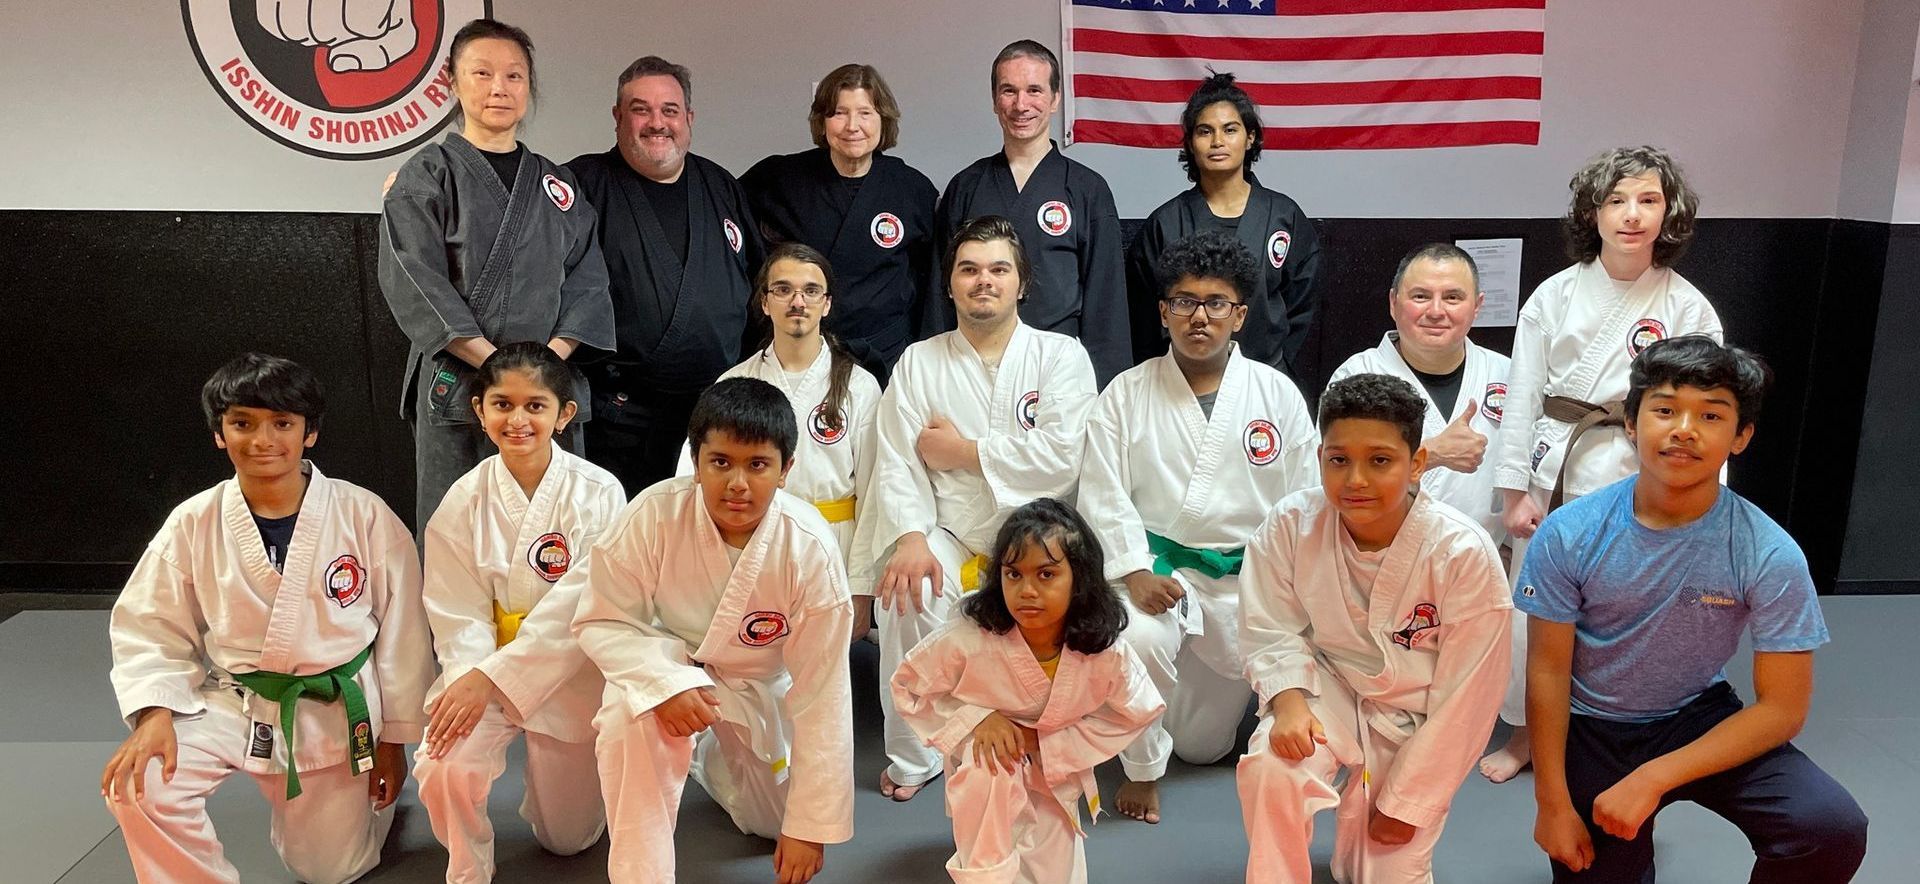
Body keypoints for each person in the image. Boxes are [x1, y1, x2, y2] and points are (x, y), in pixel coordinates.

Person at [1518, 336, 1867, 882]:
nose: (1684, 428)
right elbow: (1547, 669)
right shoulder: (1569, 533)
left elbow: (1782, 709)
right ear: (1631, 424)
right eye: (1664, 409)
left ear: (1741, 436)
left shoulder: (1767, 551)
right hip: (1594, 724)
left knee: (1828, 827)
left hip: (1695, 714)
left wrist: (1653, 776)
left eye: (1711, 415)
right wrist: (1551, 804)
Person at [102, 353, 433, 884]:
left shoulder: (364, 514)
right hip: (236, 698)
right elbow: (150, 625)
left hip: (331, 707)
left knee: (329, 871)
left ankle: (370, 809)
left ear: (310, 434)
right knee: (137, 784)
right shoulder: (193, 522)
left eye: (282, 423)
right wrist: (153, 713)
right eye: (242, 423)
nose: (262, 440)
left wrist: (392, 741)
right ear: (219, 434)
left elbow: (404, 637)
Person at [1483, 146, 1723, 783]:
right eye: (1616, 200)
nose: (1631, 215)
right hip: (1556, 468)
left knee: (1629, 612)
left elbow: (1707, 414)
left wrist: (1702, 502)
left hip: (1641, 473)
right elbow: (1523, 396)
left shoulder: (1689, 308)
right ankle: (1526, 735)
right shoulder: (1553, 296)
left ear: (1669, 213)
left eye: (1648, 200)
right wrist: (1513, 494)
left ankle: (1620, 737)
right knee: (1534, 606)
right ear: (1592, 212)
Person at [853, 214, 1099, 801]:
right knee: (906, 589)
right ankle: (915, 756)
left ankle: (1047, 737)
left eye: (998, 269)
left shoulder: (1061, 356)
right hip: (950, 530)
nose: (982, 281)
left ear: (1022, 283)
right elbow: (896, 459)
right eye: (968, 269)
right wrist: (911, 535)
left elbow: (1063, 458)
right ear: (950, 284)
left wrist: (962, 452)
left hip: (1040, 540)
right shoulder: (919, 362)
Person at [1078, 230, 1319, 825]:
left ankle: (1189, 717)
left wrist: (1283, 587)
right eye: (1184, 302)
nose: (1199, 317)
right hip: (1157, 572)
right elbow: (1102, 493)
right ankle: (1142, 771)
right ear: (1164, 313)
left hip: (1248, 581)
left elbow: (1304, 502)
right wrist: (1131, 569)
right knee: (1136, 639)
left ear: (1239, 315)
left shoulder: (1276, 395)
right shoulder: (1126, 395)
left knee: (1203, 746)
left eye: (1216, 303)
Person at [572, 377, 854, 883]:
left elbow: (823, 692)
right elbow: (604, 617)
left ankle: (710, 761)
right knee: (626, 716)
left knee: (771, 822)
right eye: (720, 462)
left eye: (758, 465)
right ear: (695, 460)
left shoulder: (809, 548)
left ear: (787, 469)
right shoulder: (653, 513)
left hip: (757, 686)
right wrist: (664, 685)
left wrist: (809, 825)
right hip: (673, 668)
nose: (737, 484)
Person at [1236, 374, 1512, 883]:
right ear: (1320, 457)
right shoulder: (1290, 524)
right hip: (1328, 689)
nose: (1355, 479)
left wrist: (1410, 800)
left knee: (1381, 864)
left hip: (1413, 713)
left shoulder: (1462, 553)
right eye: (1339, 459)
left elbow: (1470, 696)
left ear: (1418, 464)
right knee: (1274, 766)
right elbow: (1268, 624)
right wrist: (1288, 700)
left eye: (1380, 461)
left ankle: (1363, 840)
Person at [379, 18, 615, 529]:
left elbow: (588, 281)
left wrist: (545, 370)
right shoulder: (428, 174)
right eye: (481, 73)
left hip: (548, 391)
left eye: (514, 76)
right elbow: (413, 276)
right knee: (458, 530)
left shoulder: (558, 182)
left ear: (529, 87)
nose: (498, 89)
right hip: (464, 384)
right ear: (452, 82)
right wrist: (498, 370)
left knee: (559, 530)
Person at [413, 344, 628, 883]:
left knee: (568, 840)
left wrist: (497, 674)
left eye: (536, 405)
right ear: (480, 412)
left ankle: (552, 794)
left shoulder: (600, 493)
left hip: (570, 673)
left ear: (564, 415)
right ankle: (467, 864)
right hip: (482, 670)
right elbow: (455, 610)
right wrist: (472, 675)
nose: (519, 419)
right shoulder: (462, 500)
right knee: (442, 764)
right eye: (503, 404)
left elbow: (585, 601)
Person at [893, 498, 1163, 883]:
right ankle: (984, 873)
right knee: (992, 770)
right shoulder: (971, 637)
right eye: (1013, 575)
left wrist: (1048, 742)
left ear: (1080, 579)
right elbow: (908, 686)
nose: (1027, 590)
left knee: (1054, 870)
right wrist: (976, 720)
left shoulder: (1103, 650)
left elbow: (1138, 709)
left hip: (1054, 766)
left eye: (1047, 575)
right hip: (985, 764)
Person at [566, 56, 766, 494]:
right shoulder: (583, 183)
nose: (657, 123)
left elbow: (757, 286)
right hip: (620, 421)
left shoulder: (720, 185)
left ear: (688, 119)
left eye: (669, 111)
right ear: (618, 117)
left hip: (715, 419)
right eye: (641, 109)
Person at [677, 243, 884, 637]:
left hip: (832, 543)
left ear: (826, 304)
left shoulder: (859, 386)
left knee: (821, 673)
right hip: (750, 541)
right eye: (783, 290)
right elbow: (697, 478)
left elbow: (875, 492)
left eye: (811, 291)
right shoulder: (733, 383)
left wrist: (860, 587)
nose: (797, 302)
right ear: (765, 303)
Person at [933, 40, 1128, 385]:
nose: (1021, 105)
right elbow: (940, 294)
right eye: (1009, 91)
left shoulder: (1087, 190)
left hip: (1059, 366)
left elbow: (1106, 304)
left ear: (1054, 99)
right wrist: (936, 371)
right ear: (995, 100)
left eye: (1034, 90)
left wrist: (1106, 392)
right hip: (972, 365)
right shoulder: (966, 187)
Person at [741, 63, 939, 375]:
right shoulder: (778, 178)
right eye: (838, 113)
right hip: (799, 351)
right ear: (821, 122)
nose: (852, 126)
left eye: (865, 113)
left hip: (885, 355)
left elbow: (930, 276)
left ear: (883, 120)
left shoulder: (912, 189)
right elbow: (735, 240)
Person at [1127, 73, 1320, 376]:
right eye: (1205, 131)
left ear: (1250, 137)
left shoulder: (1285, 216)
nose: (1218, 141)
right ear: (1191, 143)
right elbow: (1142, 315)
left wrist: (1276, 369)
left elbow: (1303, 306)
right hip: (1182, 378)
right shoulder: (1165, 224)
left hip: (1265, 373)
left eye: (1230, 130)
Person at [1327, 243, 1510, 542]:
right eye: (1421, 296)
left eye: (1452, 297)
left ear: (1477, 306)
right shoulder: (1356, 375)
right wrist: (1434, 453)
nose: (1436, 311)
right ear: (1393, 303)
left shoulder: (1506, 374)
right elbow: (1338, 476)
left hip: (1480, 559)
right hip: (1379, 556)